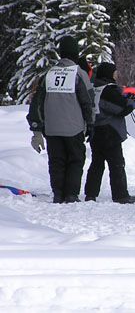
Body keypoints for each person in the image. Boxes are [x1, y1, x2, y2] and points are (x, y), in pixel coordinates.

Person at [27, 36, 95, 203]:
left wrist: (36, 128)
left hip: (51, 128)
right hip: (74, 127)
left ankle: (58, 194)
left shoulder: (49, 74)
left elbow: (37, 102)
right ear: (75, 53)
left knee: (56, 162)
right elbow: (88, 101)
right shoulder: (79, 73)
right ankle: (71, 194)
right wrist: (91, 123)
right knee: (75, 160)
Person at [84, 62, 135, 204]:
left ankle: (90, 194)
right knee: (117, 164)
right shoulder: (109, 90)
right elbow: (122, 108)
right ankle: (121, 195)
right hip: (110, 131)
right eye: (115, 72)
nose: (117, 74)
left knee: (97, 164)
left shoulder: (94, 87)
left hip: (96, 130)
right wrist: (131, 102)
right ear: (109, 74)